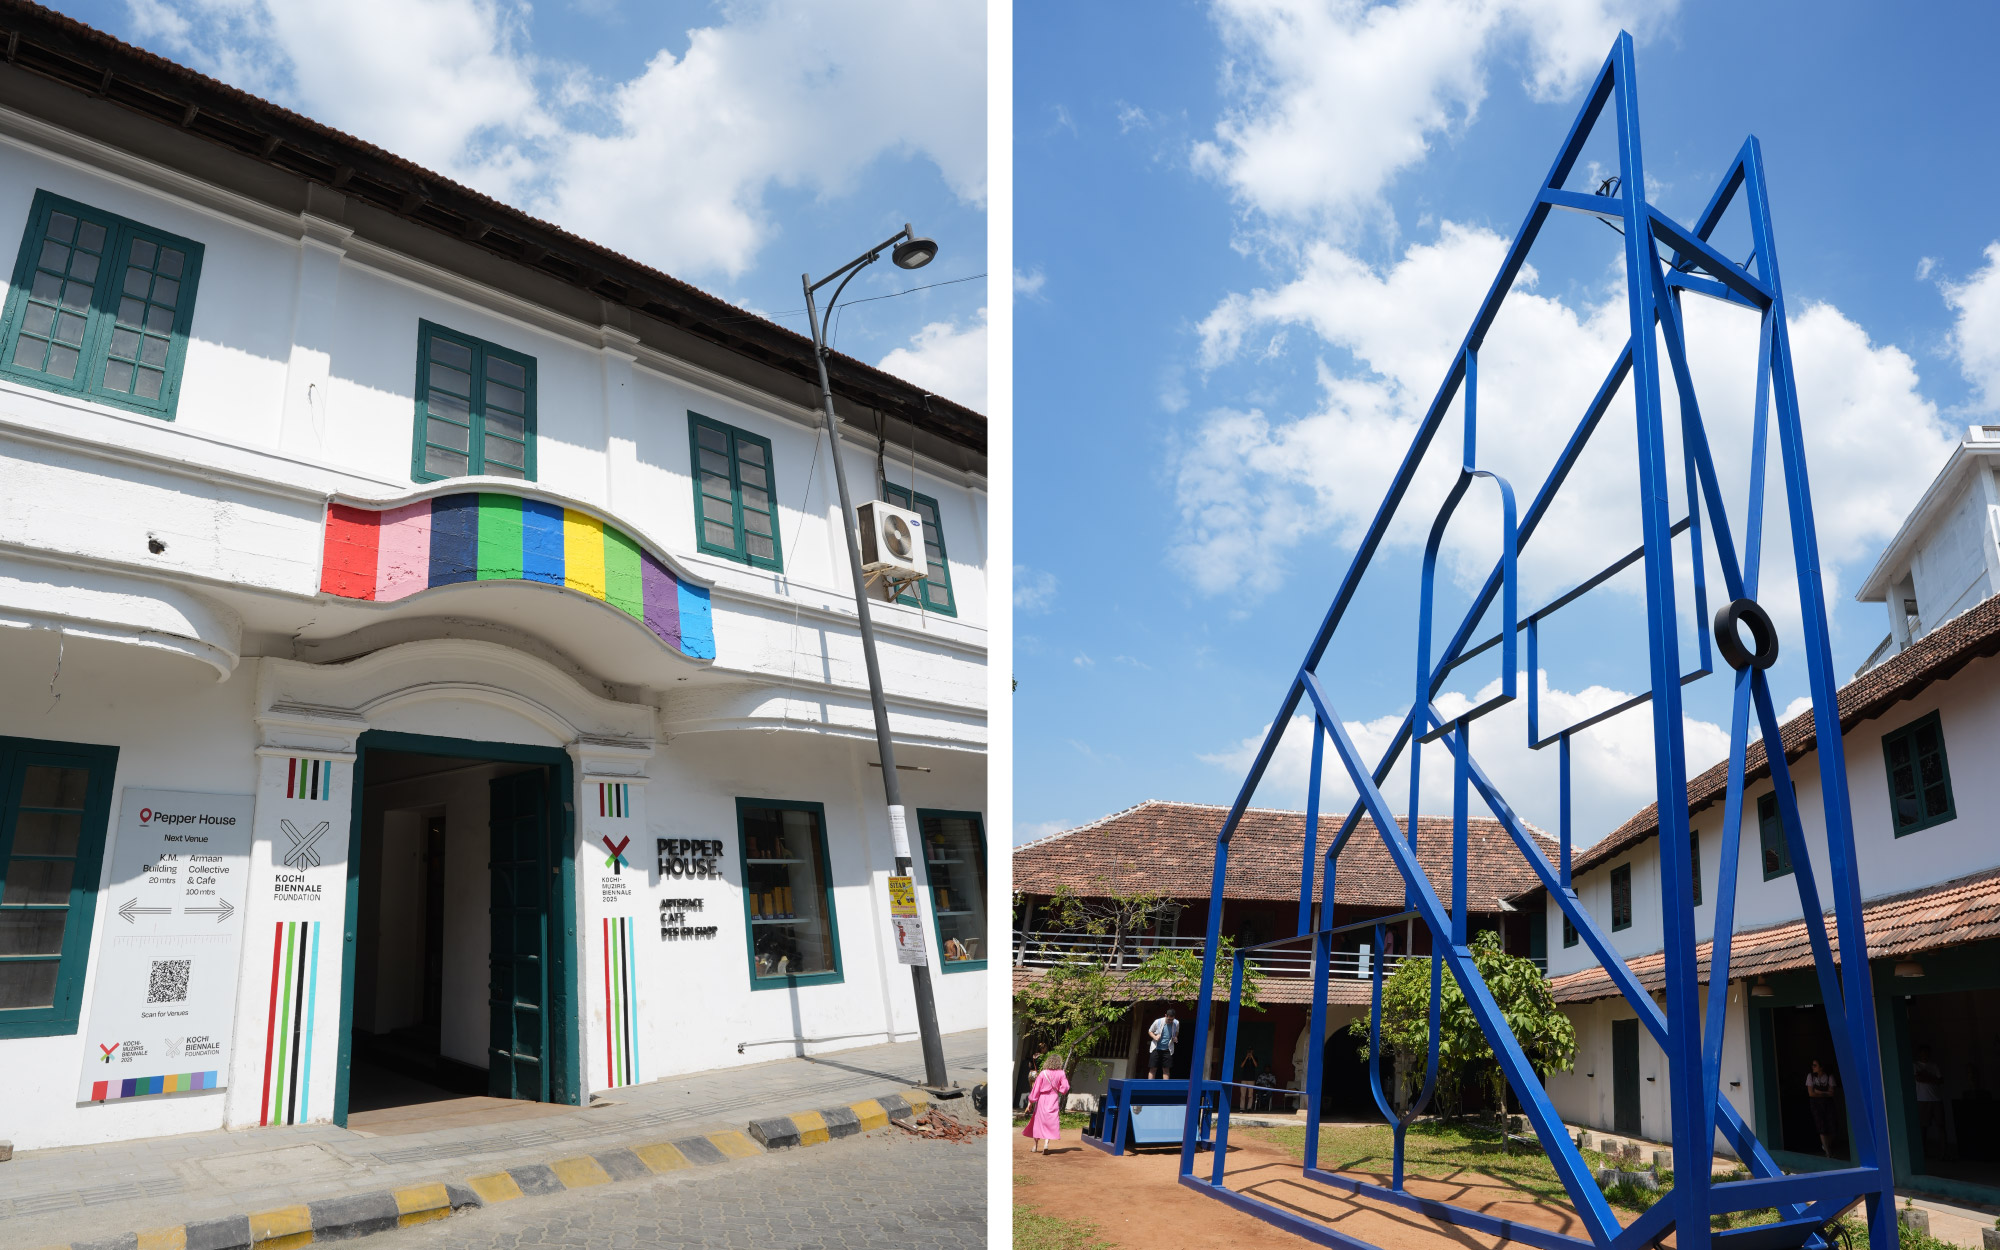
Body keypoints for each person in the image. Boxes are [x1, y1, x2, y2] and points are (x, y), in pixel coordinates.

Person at [1022, 1052, 1069, 1154]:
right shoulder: (1061, 1073)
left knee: (1038, 1122)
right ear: (1058, 1063)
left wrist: (1030, 1102)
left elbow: (1036, 1089)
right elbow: (1065, 1088)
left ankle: (1035, 1146)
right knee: (1051, 1122)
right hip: (1053, 1098)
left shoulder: (1043, 1073)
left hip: (1042, 1099)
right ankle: (1046, 1144)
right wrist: (1059, 1089)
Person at [1806, 1059, 1840, 1157]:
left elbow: (1832, 1093)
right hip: (1816, 1104)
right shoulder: (1811, 1076)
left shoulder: (1829, 1076)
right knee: (1821, 1126)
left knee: (1832, 1125)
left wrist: (1819, 1092)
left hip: (1828, 1104)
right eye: (1812, 1065)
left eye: (1815, 1065)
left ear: (1821, 1067)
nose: (1813, 1067)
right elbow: (1811, 1093)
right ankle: (1828, 1152)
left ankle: (1826, 1145)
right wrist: (1825, 1093)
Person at [1912, 1047, 1945, 1149]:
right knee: (1923, 1126)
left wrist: (1926, 1077)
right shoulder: (1915, 1065)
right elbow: (1918, 1078)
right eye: (1922, 1053)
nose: (1924, 1055)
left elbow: (1940, 1081)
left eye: (1926, 1053)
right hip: (1922, 1099)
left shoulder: (1934, 1066)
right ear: (1919, 1054)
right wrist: (1932, 1078)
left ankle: (1944, 1150)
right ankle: (1923, 1151)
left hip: (1936, 1099)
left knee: (1941, 1125)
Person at [1146, 1006, 1179, 1079]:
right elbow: (1150, 1031)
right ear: (1165, 1015)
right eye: (1169, 1019)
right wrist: (1155, 1037)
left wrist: (1175, 1037)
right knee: (1153, 1068)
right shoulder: (1158, 1021)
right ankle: (1149, 1087)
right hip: (1156, 1048)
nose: (1170, 1021)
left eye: (1172, 1020)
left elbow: (1176, 1032)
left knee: (1166, 1069)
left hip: (1168, 1049)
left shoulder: (1176, 1023)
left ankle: (1165, 1088)